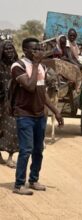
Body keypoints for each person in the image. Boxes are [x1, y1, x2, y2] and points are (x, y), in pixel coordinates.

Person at [10, 37, 64, 195]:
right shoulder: (18, 66)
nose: (40, 52)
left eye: (41, 49)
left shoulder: (42, 67)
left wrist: (55, 111)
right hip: (24, 114)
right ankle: (19, 184)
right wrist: (34, 64)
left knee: (38, 150)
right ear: (26, 50)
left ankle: (33, 180)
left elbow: (42, 92)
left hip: (40, 114)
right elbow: (30, 87)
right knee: (26, 149)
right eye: (36, 50)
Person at [0, 40, 19, 168]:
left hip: (14, 101)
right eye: (6, 49)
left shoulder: (17, 65)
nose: (9, 52)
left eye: (11, 49)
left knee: (13, 129)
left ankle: (11, 157)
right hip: (0, 100)